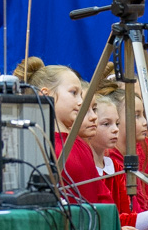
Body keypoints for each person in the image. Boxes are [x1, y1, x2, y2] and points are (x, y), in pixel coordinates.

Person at [14, 57, 113, 204]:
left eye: (81, 95)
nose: (81, 102)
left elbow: (102, 195)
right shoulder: (40, 146)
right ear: (46, 94)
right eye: (74, 93)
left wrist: (114, 224)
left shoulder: (81, 144)